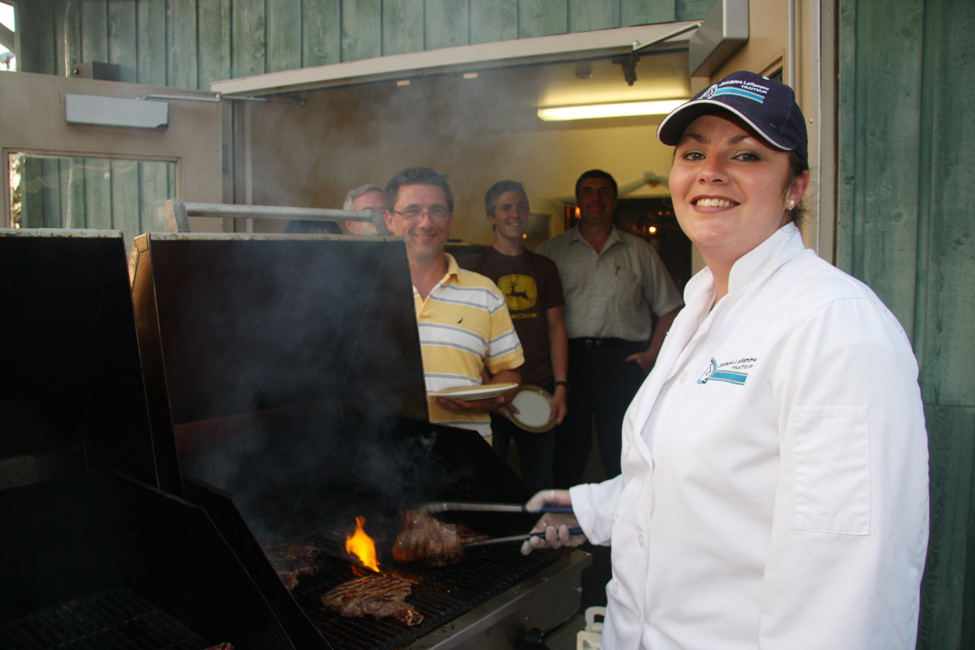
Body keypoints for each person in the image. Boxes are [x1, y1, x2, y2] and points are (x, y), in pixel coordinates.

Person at [520, 71, 929, 649]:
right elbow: (702, 483)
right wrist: (592, 507)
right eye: (694, 152)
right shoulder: (702, 309)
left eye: (746, 154)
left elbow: (847, 589)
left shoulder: (834, 326)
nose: (710, 170)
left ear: (796, 187)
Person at [537, 170, 683, 487]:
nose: (596, 198)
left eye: (604, 191)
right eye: (588, 191)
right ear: (578, 201)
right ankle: (568, 525)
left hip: (622, 363)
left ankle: (622, 528)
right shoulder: (552, 253)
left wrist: (652, 356)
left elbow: (671, 308)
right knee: (568, 450)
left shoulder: (639, 252)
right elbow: (538, 319)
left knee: (620, 449)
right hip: (568, 364)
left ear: (614, 200)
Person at [383, 167, 524, 441]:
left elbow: (510, 373)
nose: (426, 223)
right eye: (412, 211)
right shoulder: (366, 290)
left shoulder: (485, 293)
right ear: (389, 219)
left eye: (437, 210)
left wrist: (492, 400)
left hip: (467, 452)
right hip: (383, 455)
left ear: (449, 220)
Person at [467, 180, 568, 490]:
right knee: (488, 480)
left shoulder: (545, 267)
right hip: (491, 393)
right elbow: (469, 336)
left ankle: (541, 538)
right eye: (506, 207)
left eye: (521, 206)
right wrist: (488, 393)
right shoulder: (474, 269)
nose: (516, 213)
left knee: (541, 480)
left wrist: (561, 385)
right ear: (491, 217)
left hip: (539, 392)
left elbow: (556, 329)